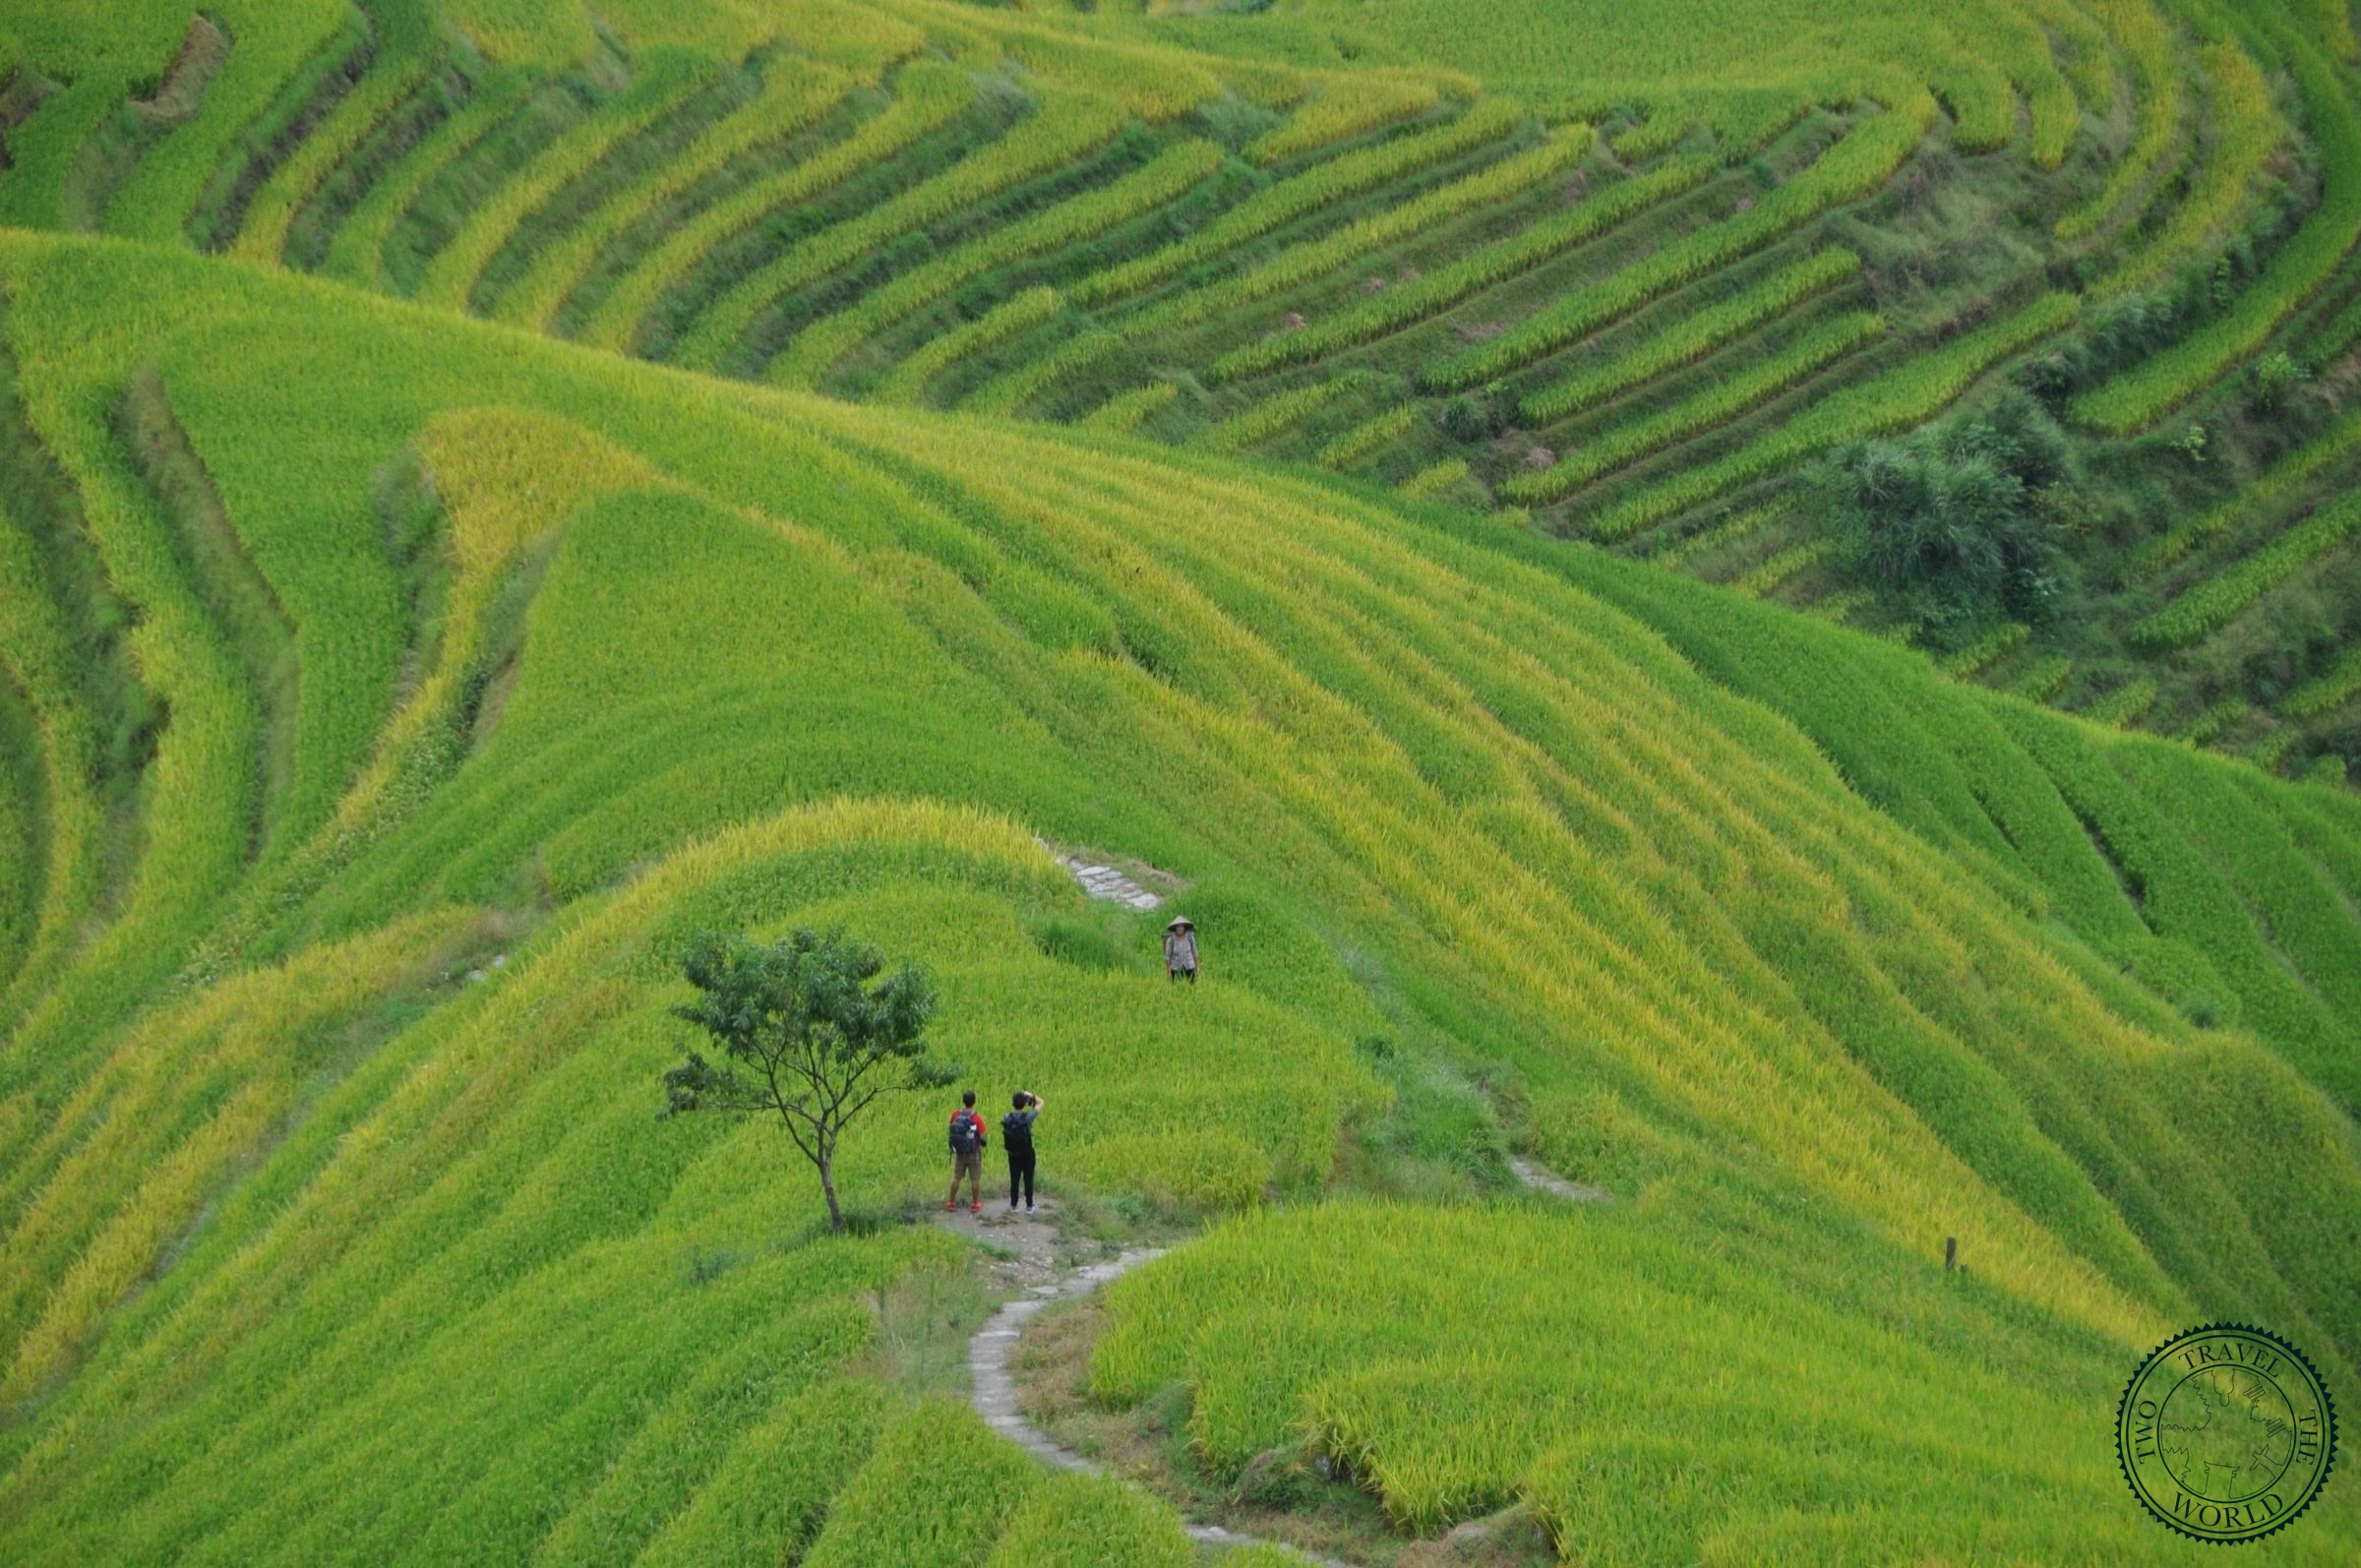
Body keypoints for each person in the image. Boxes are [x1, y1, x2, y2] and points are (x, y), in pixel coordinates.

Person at [945, 1089, 987, 1213]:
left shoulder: (955, 1114)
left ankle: (951, 1202)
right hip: (973, 1152)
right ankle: (975, 1204)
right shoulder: (977, 1118)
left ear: (963, 1101)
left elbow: (951, 1128)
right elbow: (983, 1135)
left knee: (956, 1177)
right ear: (974, 1102)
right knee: (975, 1179)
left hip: (959, 1152)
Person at [1002, 1091, 1044, 1213]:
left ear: (1012, 1103)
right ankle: (1029, 1206)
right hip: (1027, 1153)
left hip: (1012, 1153)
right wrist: (1030, 1095)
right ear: (1025, 1104)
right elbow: (1041, 1102)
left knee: (1014, 1179)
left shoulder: (1006, 1117)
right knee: (1028, 1179)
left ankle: (1013, 1205)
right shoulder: (1028, 1117)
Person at [1164, 916, 1198, 984]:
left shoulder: (1190, 937)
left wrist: (1197, 967)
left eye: (1181, 926)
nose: (1180, 928)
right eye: (1178, 926)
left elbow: (1195, 953)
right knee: (1176, 988)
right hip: (1176, 968)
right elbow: (1167, 958)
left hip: (1190, 966)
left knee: (1192, 987)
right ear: (1175, 928)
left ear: (1184, 927)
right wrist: (1168, 972)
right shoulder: (1171, 940)